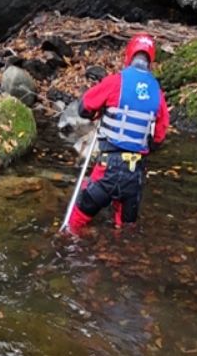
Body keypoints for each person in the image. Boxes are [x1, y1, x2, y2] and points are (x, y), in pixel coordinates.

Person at [65, 33, 169, 234]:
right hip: (134, 175)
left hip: (107, 170)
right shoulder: (157, 92)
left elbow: (84, 108)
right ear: (151, 60)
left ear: (129, 55)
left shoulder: (115, 82)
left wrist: (100, 111)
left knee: (74, 225)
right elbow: (159, 137)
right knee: (125, 233)